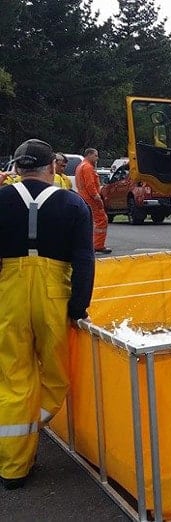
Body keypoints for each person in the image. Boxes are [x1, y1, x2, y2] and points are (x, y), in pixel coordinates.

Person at [0, 138, 95, 490]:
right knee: (56, 376)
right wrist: (78, 308)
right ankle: (32, 426)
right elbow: (84, 261)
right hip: (54, 297)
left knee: (13, 376)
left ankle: (13, 464)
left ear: (16, 168)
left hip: (9, 294)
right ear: (53, 167)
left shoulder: (1, 199)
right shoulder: (73, 204)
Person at [75, 148, 111, 254]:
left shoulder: (80, 166)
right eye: (95, 155)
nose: (97, 158)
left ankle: (91, 244)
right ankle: (98, 245)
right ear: (89, 155)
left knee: (90, 222)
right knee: (101, 220)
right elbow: (90, 185)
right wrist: (97, 197)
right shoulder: (88, 167)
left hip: (84, 197)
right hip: (91, 199)